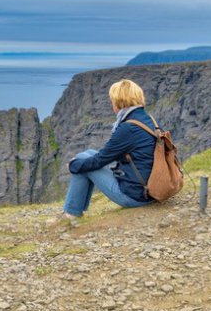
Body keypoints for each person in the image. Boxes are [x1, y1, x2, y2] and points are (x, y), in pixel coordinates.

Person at [61, 79, 157, 219]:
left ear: (119, 101)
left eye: (112, 100)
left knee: (81, 160)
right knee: (88, 154)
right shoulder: (147, 119)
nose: (111, 103)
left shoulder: (128, 128)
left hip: (135, 196)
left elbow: (101, 160)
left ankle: (71, 213)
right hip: (149, 189)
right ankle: (73, 211)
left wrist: (72, 165)